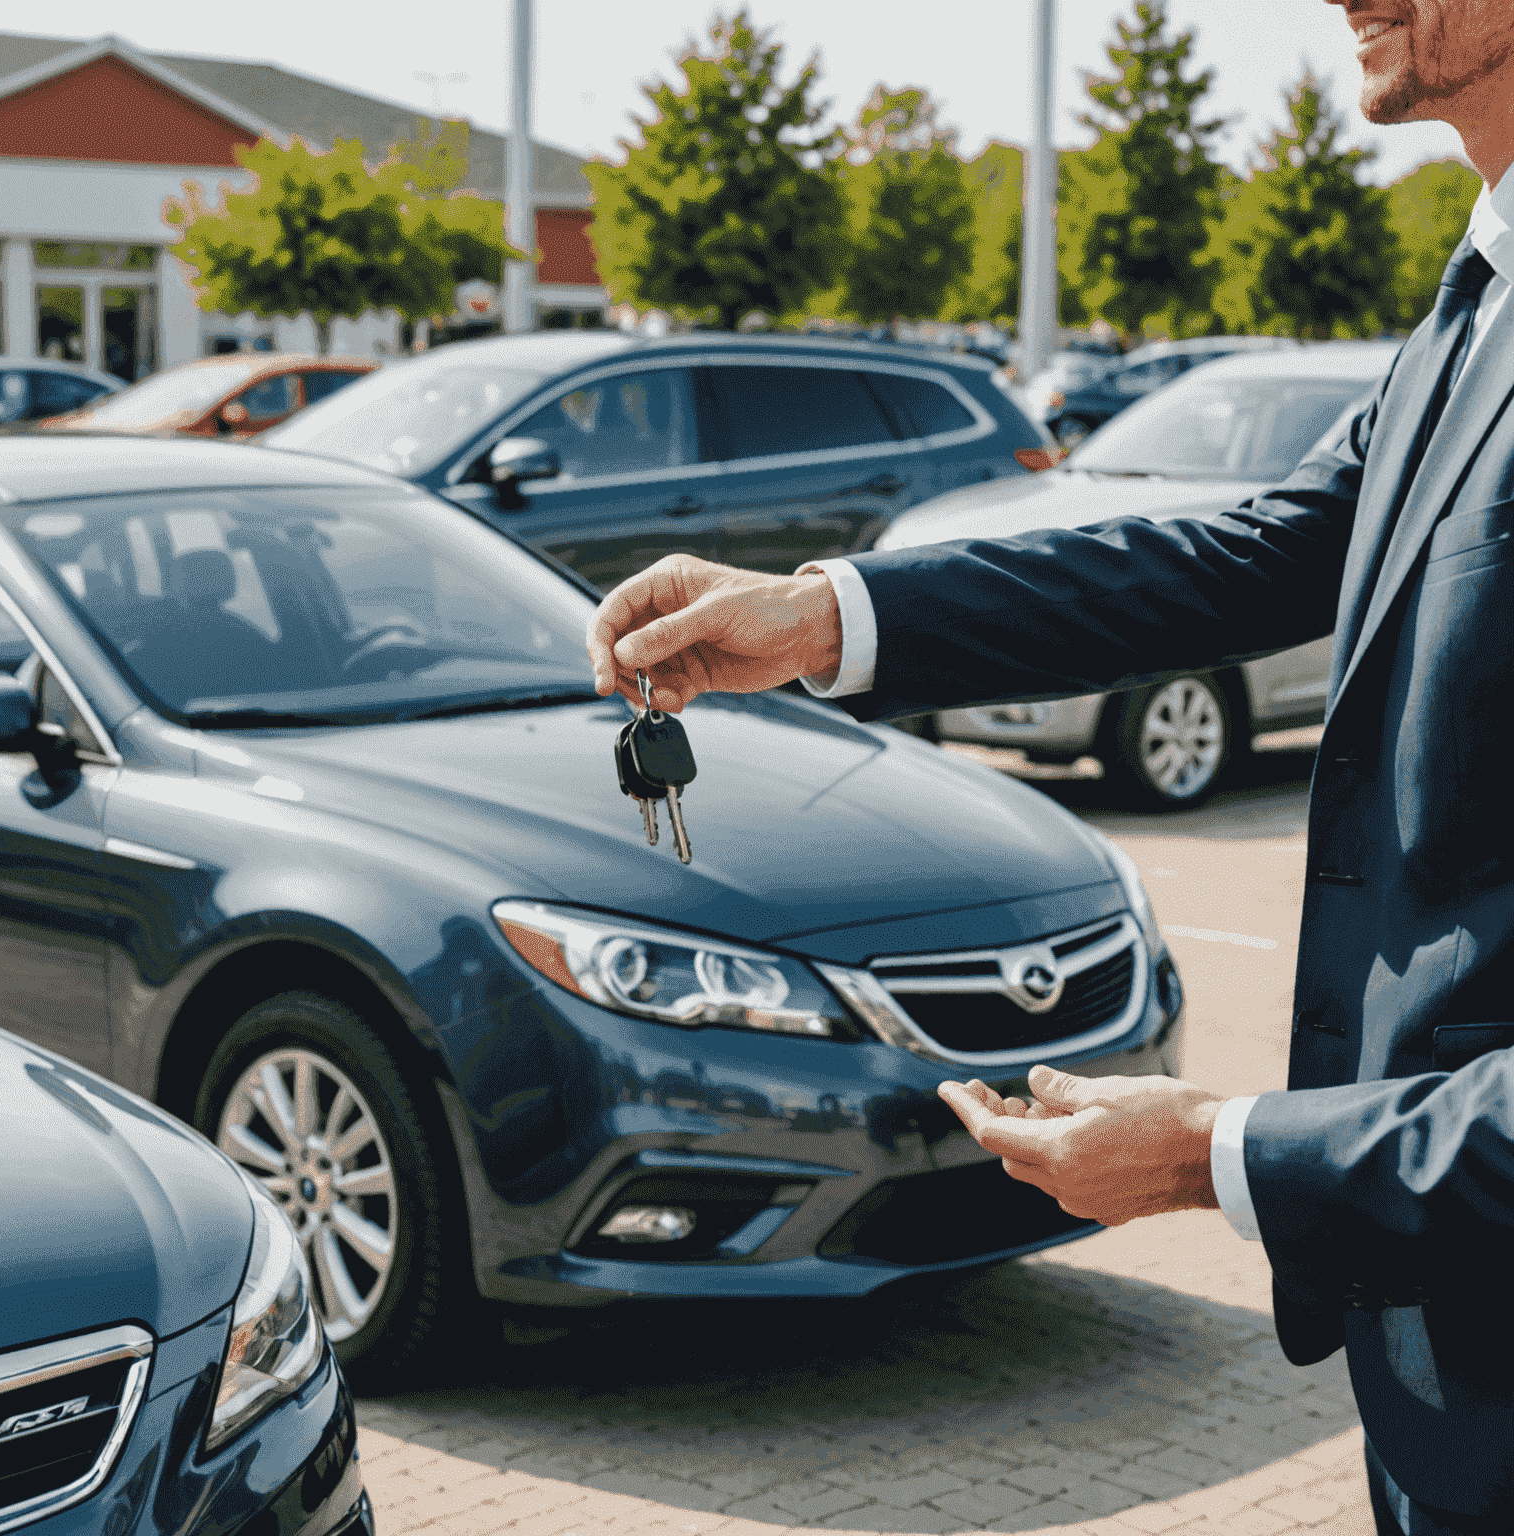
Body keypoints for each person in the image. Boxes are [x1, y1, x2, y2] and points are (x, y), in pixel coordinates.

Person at [585, 5, 1514, 1529]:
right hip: (1444, 1326)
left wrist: (1224, 1152)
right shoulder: (1478, 290)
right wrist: (825, 616)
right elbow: (1247, 556)